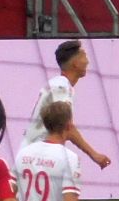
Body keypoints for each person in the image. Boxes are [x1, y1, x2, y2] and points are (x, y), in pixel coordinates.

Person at [23, 39, 112, 169]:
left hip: (36, 156)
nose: (87, 61)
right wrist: (94, 155)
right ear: (75, 63)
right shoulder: (61, 86)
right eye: (84, 56)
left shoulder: (59, 84)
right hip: (38, 158)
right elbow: (66, 126)